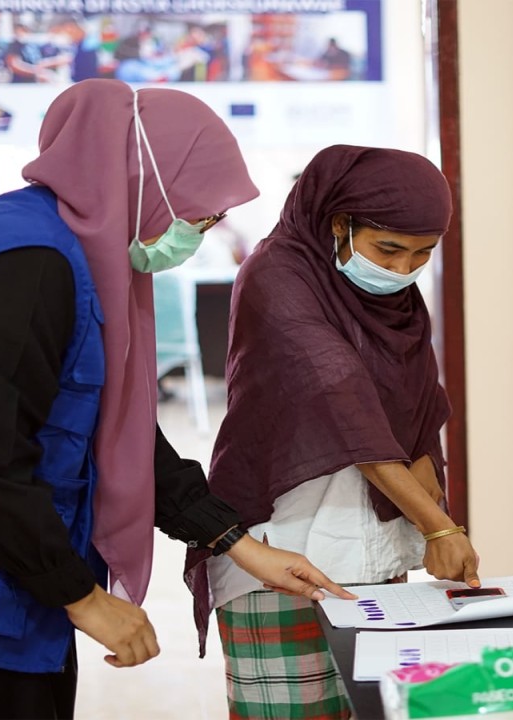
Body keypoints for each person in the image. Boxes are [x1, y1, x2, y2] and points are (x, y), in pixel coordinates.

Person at [0, 79, 352, 719]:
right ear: (147, 182)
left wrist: (239, 544)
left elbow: (116, 426)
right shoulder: (30, 267)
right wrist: (83, 597)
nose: (199, 233)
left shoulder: (67, 245)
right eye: (201, 215)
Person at [185, 145, 481, 719]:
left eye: (422, 255)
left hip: (380, 558)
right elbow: (347, 407)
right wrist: (442, 529)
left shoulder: (394, 297)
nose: (401, 271)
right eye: (388, 249)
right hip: (287, 556)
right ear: (338, 222)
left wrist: (432, 528)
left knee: (382, 710)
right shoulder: (276, 276)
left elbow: (419, 413)